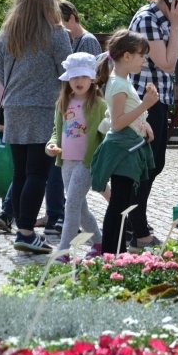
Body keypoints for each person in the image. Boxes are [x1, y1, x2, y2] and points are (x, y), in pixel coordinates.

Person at [0, 0, 72, 254]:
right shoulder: (55, 33)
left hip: (14, 107)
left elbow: (2, 75)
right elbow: (67, 73)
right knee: (38, 173)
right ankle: (26, 232)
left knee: (20, 173)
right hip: (43, 109)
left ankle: (21, 228)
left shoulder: (6, 34)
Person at [128, 0, 178, 230]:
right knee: (146, 165)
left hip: (158, 99)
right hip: (144, 102)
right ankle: (136, 223)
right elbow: (167, 64)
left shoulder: (163, 20)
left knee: (154, 164)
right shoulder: (148, 19)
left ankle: (136, 220)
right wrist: (177, 27)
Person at [91, 30, 159, 254]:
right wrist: (145, 106)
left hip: (128, 146)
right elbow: (118, 123)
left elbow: (119, 115)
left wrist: (144, 123)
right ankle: (112, 253)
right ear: (127, 56)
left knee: (122, 202)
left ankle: (116, 251)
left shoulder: (122, 80)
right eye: (142, 55)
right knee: (119, 204)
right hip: (122, 150)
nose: (144, 60)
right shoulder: (119, 84)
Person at [45, 53, 107, 260]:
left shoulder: (98, 105)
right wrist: (51, 144)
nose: (78, 81)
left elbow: (107, 130)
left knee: (70, 205)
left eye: (83, 76)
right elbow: (56, 130)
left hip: (87, 163)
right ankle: (99, 242)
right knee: (80, 209)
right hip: (66, 162)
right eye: (74, 77)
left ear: (92, 78)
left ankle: (63, 251)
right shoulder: (63, 102)